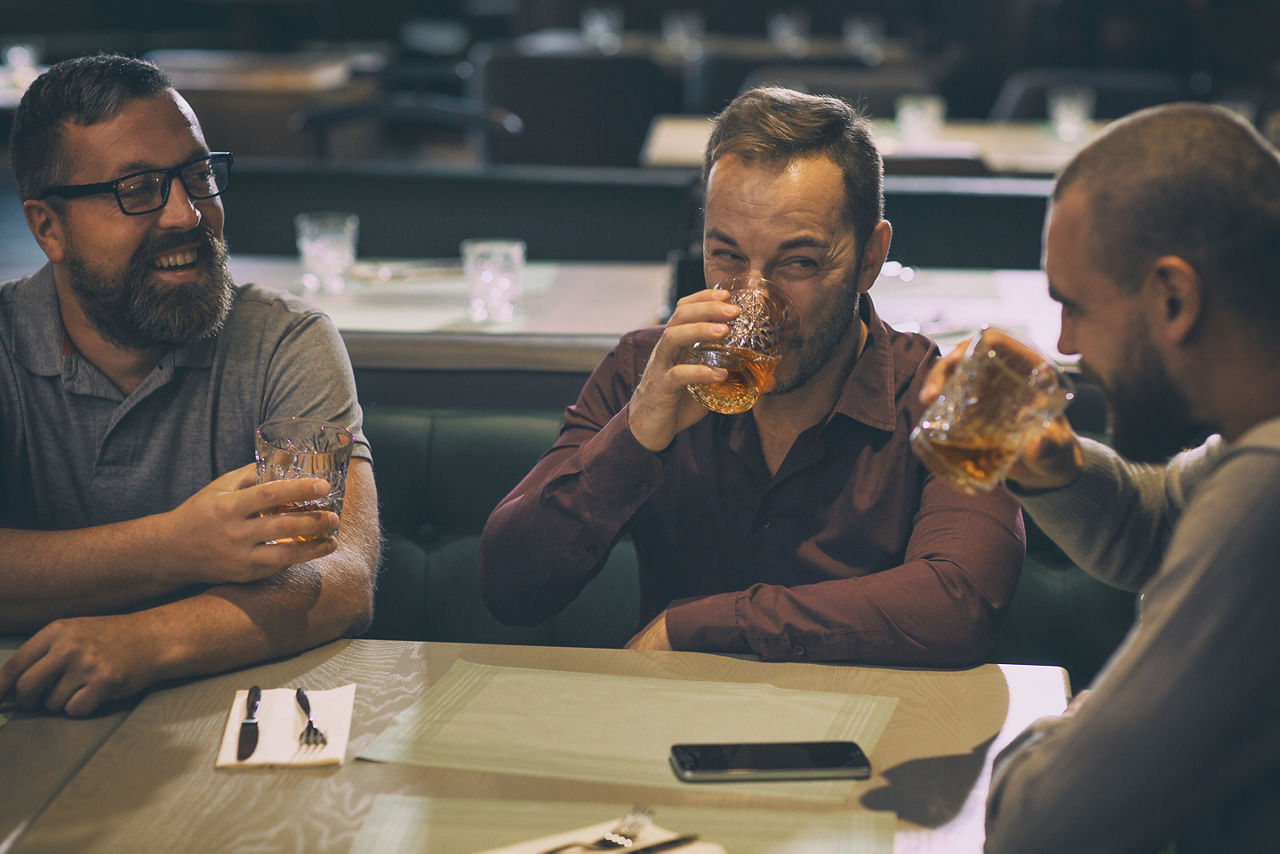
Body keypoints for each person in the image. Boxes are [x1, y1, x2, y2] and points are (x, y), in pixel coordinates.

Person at [478, 87, 1024, 663]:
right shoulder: (648, 371)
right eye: (729, 257)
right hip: (671, 718)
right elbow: (510, 590)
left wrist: (701, 625)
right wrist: (634, 438)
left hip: (871, 717)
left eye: (799, 262)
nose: (754, 303)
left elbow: (958, 604)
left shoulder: (956, 396)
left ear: (871, 257)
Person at [914, 103, 1280, 852]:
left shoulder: (1266, 491)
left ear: (1174, 298)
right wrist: (1058, 470)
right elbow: (1165, 521)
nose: (1066, 343)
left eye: (1074, 307)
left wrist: (1083, 721)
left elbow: (1041, 821)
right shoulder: (1254, 447)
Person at [0, 55, 380, 717]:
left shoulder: (284, 340)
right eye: (138, 188)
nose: (186, 214)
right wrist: (176, 547)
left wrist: (147, 641)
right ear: (48, 227)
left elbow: (339, 573)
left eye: (198, 175)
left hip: (236, 723)